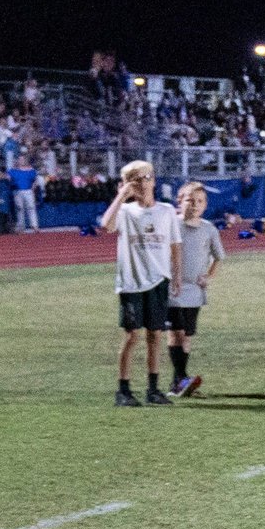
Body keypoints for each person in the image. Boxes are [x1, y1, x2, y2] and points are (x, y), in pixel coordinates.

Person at [102, 160, 182, 407]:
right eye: (133, 179)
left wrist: (176, 275)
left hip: (158, 279)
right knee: (131, 336)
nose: (141, 183)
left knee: (155, 335)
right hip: (131, 282)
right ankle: (123, 390)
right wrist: (121, 197)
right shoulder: (125, 212)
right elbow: (106, 225)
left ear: (154, 180)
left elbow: (174, 246)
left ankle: (153, 388)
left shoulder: (166, 211)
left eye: (144, 178)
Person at [166, 181, 225, 398]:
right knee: (176, 332)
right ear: (179, 202)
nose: (194, 205)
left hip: (195, 291)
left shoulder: (208, 229)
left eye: (200, 201)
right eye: (190, 200)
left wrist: (208, 276)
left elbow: (218, 257)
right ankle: (182, 379)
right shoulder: (171, 225)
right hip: (172, 289)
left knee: (187, 336)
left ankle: (179, 382)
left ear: (205, 205)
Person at [7, 152, 42, 233]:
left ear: (25, 161)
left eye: (23, 159)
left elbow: (35, 180)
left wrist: (33, 188)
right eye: (20, 159)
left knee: (31, 208)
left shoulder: (31, 170)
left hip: (28, 191)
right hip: (17, 191)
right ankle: (21, 227)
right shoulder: (13, 170)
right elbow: (8, 178)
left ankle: (35, 226)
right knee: (19, 209)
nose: (21, 161)